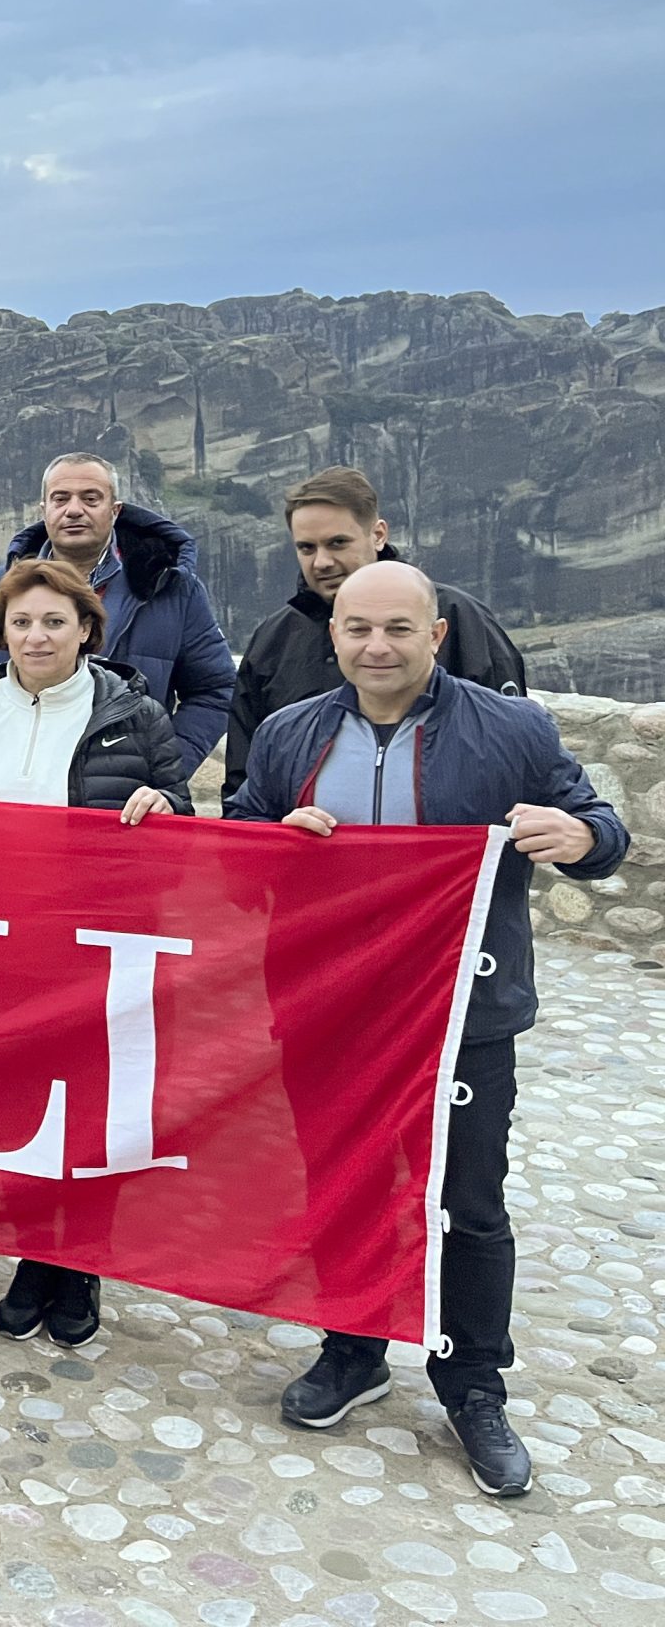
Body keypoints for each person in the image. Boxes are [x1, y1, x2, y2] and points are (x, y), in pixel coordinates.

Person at [227, 561, 627, 1499]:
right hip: (331, 1009)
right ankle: (354, 1348)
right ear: (334, 636)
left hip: (463, 1014)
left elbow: (599, 826)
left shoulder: (512, 730)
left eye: (398, 630)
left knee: (467, 1200)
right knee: (341, 1182)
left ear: (436, 635)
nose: (377, 647)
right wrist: (278, 837)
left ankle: (473, 1385)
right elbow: (241, 846)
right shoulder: (290, 736)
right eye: (358, 628)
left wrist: (583, 840)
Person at [0, 557, 191, 1347]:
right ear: (0, 633)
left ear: (86, 629)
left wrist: (162, 804)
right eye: (21, 623)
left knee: (90, 1105)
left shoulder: (133, 715)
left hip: (93, 946)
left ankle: (82, 1260)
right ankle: (33, 1252)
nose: (36, 636)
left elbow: (182, 816)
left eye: (53, 622)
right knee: (13, 1103)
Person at [226, 466, 527, 794]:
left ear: (379, 534)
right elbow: (245, 784)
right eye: (307, 548)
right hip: (312, 841)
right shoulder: (273, 640)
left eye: (337, 543)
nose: (322, 562)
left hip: (440, 834)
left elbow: (513, 752)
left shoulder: (459, 617)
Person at [0, 455, 234, 776]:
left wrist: (164, 768)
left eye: (91, 498)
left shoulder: (170, 586)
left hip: (125, 796)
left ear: (115, 510)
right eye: (61, 499)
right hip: (17, 784)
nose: (74, 510)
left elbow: (215, 690)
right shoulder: (0, 584)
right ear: (44, 511)